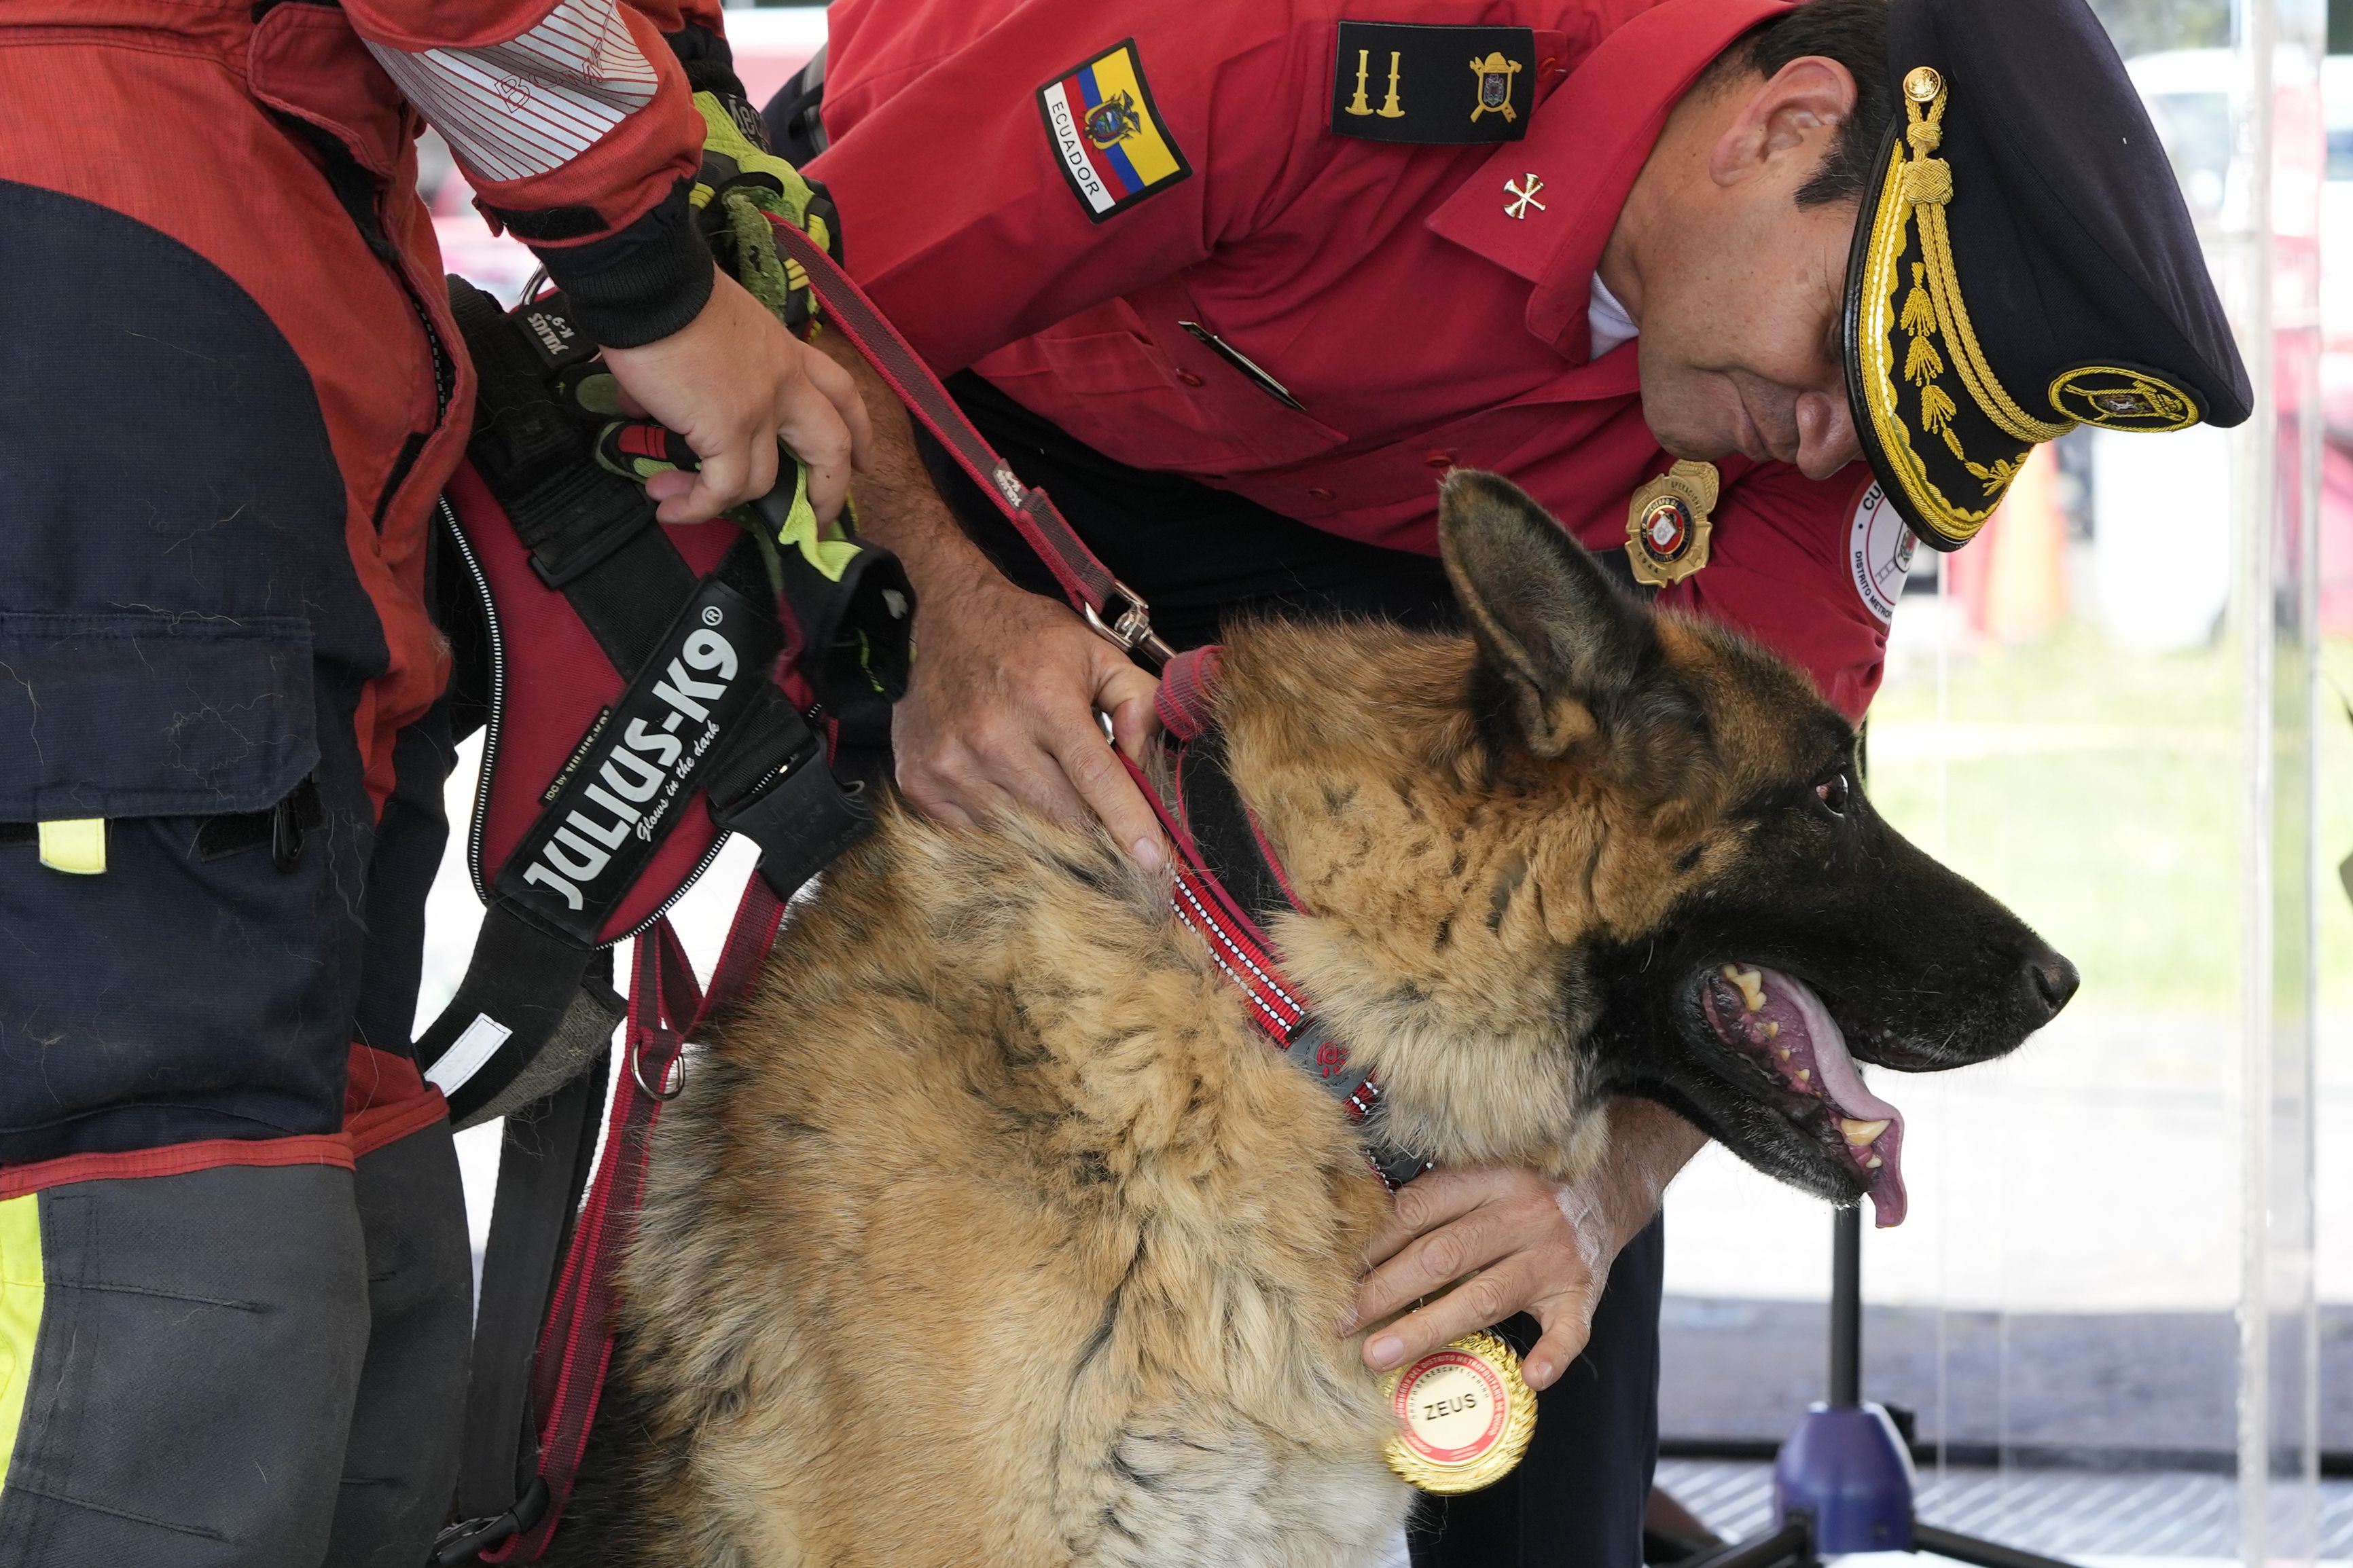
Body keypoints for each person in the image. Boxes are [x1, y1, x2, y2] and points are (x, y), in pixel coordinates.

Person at [773, 0, 2249, 1561]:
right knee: (994, 1144)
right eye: (1836, 364)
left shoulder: (1812, 439)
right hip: (968, 406)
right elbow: (792, 297)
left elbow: (1727, 901)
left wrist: (1591, 1205)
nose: (1824, 451)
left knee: (1533, 1139)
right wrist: (951, 600)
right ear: (1784, 127)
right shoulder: (1324, 43)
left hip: (1443, 573)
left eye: (1881, 434)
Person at [0, 4, 866, 1564]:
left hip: (240, 276)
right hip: (116, 250)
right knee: (175, 1205)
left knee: (308, 1177)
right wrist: (650, 273)